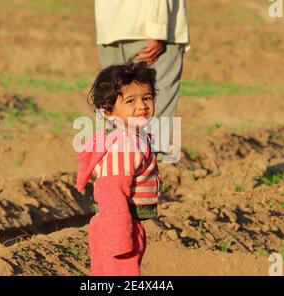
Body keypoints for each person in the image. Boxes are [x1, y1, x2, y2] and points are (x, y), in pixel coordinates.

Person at [76, 62, 161, 275]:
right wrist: (120, 237)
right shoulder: (125, 145)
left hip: (123, 225)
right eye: (131, 100)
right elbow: (110, 190)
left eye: (147, 98)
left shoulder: (132, 138)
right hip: (117, 228)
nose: (142, 105)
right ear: (107, 111)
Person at [94, 0, 190, 154]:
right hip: (150, 27)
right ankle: (147, 171)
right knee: (155, 122)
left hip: (109, 25)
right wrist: (158, 30)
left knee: (114, 109)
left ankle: (114, 170)